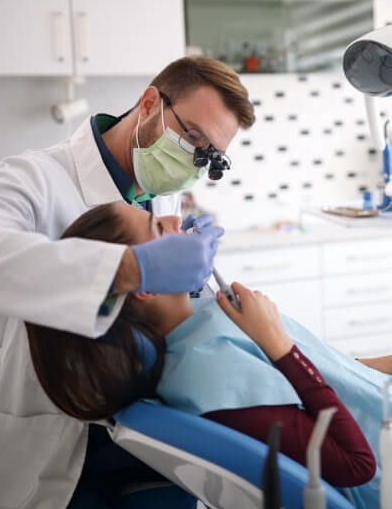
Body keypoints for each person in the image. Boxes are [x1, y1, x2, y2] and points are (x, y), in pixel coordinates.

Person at [0, 57, 255, 508]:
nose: (195, 162)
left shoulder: (160, 193)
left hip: (140, 406)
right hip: (64, 425)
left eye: (210, 155)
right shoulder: (35, 178)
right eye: (192, 137)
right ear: (150, 103)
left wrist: (195, 285)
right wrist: (131, 268)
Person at [28, 202, 392, 509]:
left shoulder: (207, 319)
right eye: (158, 227)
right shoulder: (206, 376)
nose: (174, 218)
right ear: (144, 288)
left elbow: (322, 379)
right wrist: (277, 342)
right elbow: (357, 465)